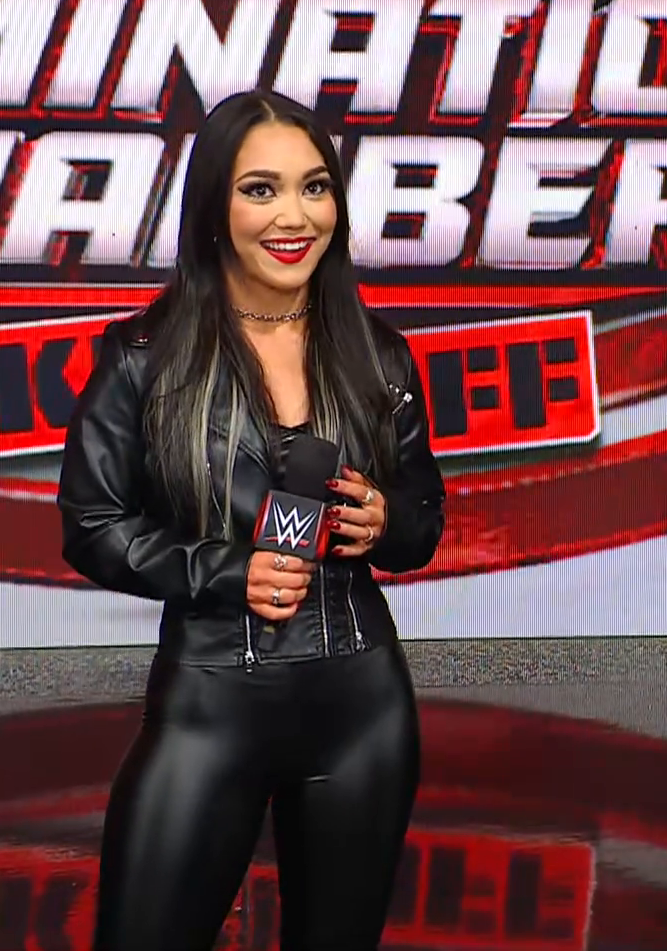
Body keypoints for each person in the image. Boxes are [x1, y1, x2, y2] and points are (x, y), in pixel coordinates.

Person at [57, 89, 446, 951]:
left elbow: (425, 520)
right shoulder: (143, 357)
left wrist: (385, 522)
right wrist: (227, 570)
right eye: (260, 189)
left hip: (362, 710)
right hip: (208, 705)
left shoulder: (379, 353)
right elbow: (92, 524)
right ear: (214, 207)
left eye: (315, 187)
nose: (294, 216)